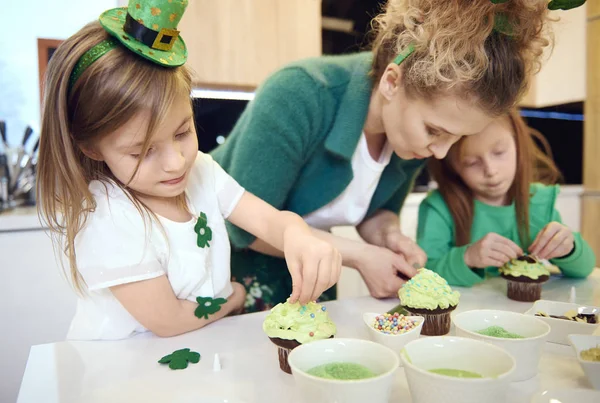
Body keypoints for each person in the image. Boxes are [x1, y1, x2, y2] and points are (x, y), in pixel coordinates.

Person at [212, 0, 553, 311]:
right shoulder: (300, 94)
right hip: (221, 262)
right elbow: (246, 227)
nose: (440, 151)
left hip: (308, 270)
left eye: (457, 138)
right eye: (434, 131)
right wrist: (361, 256)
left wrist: (390, 237)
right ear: (392, 82)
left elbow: (375, 213)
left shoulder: (410, 137)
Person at [36, 0, 341, 340]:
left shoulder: (202, 170)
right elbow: (170, 320)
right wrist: (234, 296)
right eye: (142, 151)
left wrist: (295, 233)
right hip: (118, 374)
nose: (176, 162)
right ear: (91, 148)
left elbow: (269, 221)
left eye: (182, 132)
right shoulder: (107, 216)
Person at [418, 110, 595, 287]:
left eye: (499, 152)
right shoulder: (438, 208)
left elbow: (584, 269)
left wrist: (568, 248)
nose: (491, 170)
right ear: (452, 167)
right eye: (472, 162)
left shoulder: (539, 202)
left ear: (518, 143)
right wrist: (468, 257)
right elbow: (425, 272)